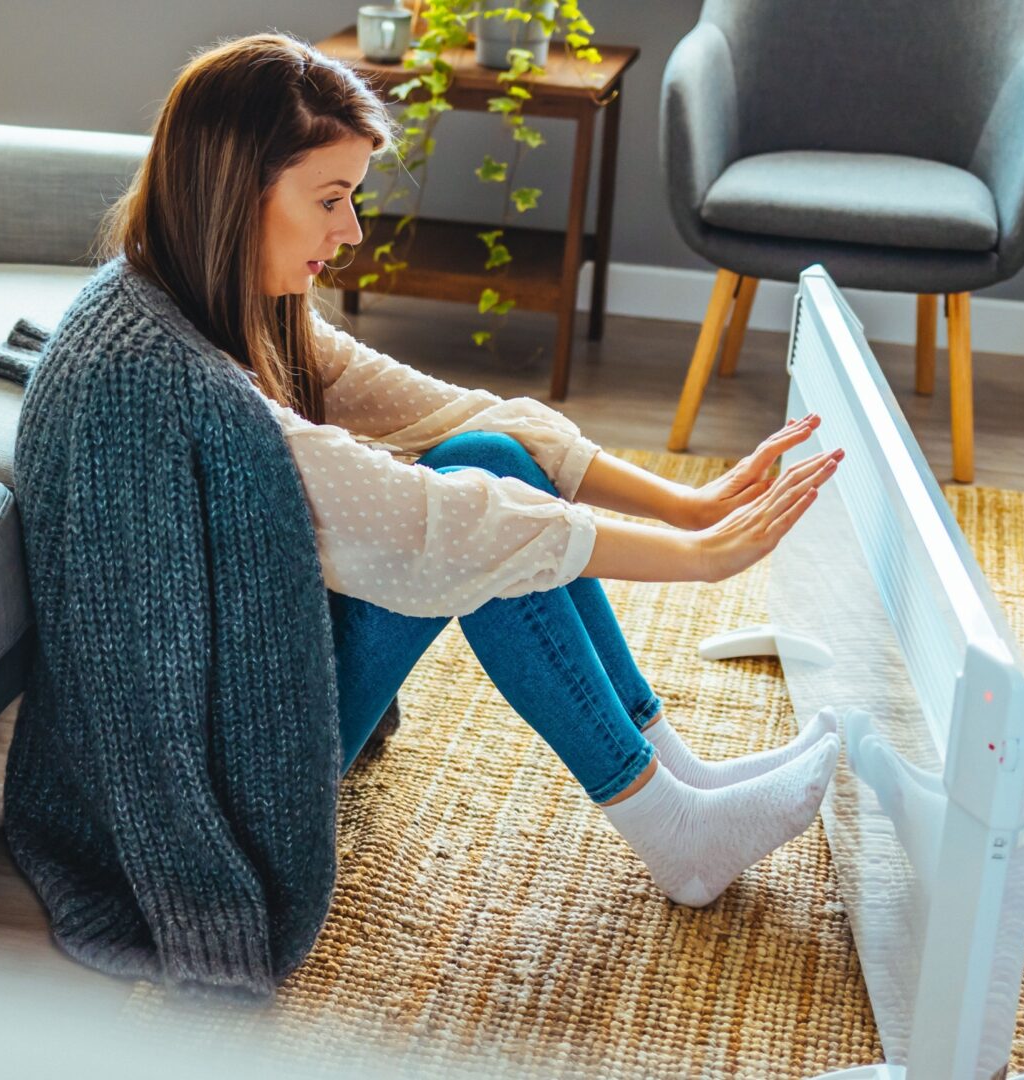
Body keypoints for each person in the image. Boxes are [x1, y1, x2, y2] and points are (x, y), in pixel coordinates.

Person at [84, 32, 845, 909]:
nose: (352, 230)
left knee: (489, 458)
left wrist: (686, 504)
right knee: (476, 536)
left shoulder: (223, 302)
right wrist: (702, 559)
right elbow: (440, 525)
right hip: (232, 765)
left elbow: (457, 415)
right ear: (233, 190)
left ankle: (676, 780)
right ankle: (676, 833)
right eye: (330, 200)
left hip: (262, 679)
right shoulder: (188, 384)